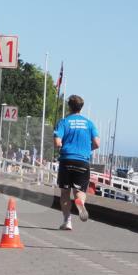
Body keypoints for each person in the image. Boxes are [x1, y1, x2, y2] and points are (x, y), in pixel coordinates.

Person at [53, 94, 99, 230]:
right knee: (79, 191)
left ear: (69, 106)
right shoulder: (89, 123)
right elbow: (97, 143)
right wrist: (86, 149)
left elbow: (57, 142)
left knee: (65, 192)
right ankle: (81, 204)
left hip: (67, 160)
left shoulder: (63, 122)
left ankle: (67, 221)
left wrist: (61, 143)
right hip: (82, 161)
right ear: (81, 107)